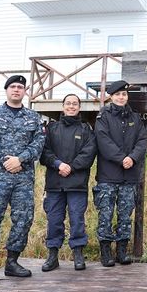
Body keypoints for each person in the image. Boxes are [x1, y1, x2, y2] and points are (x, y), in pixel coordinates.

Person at [0, 75, 46, 285]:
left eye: (20, 87)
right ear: (7, 90)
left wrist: (21, 159)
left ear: (25, 92)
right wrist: (6, 161)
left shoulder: (33, 117)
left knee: (24, 218)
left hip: (23, 178)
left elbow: (39, 143)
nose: (16, 90)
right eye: (13, 86)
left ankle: (12, 262)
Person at [39, 94, 97, 272]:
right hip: (55, 184)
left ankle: (78, 254)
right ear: (63, 106)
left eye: (75, 104)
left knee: (77, 220)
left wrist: (71, 167)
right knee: (54, 220)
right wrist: (58, 164)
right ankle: (52, 255)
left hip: (77, 184)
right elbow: (44, 152)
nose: (71, 106)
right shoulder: (51, 128)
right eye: (68, 103)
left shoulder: (86, 130)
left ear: (79, 107)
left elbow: (89, 154)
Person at [93, 80, 147, 267]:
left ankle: (122, 251)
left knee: (125, 215)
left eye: (124, 94)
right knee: (106, 215)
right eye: (117, 94)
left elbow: (142, 140)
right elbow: (103, 141)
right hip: (108, 176)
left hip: (129, 176)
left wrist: (132, 158)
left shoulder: (135, 118)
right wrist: (121, 158)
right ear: (111, 97)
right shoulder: (103, 117)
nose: (121, 97)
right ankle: (106, 252)